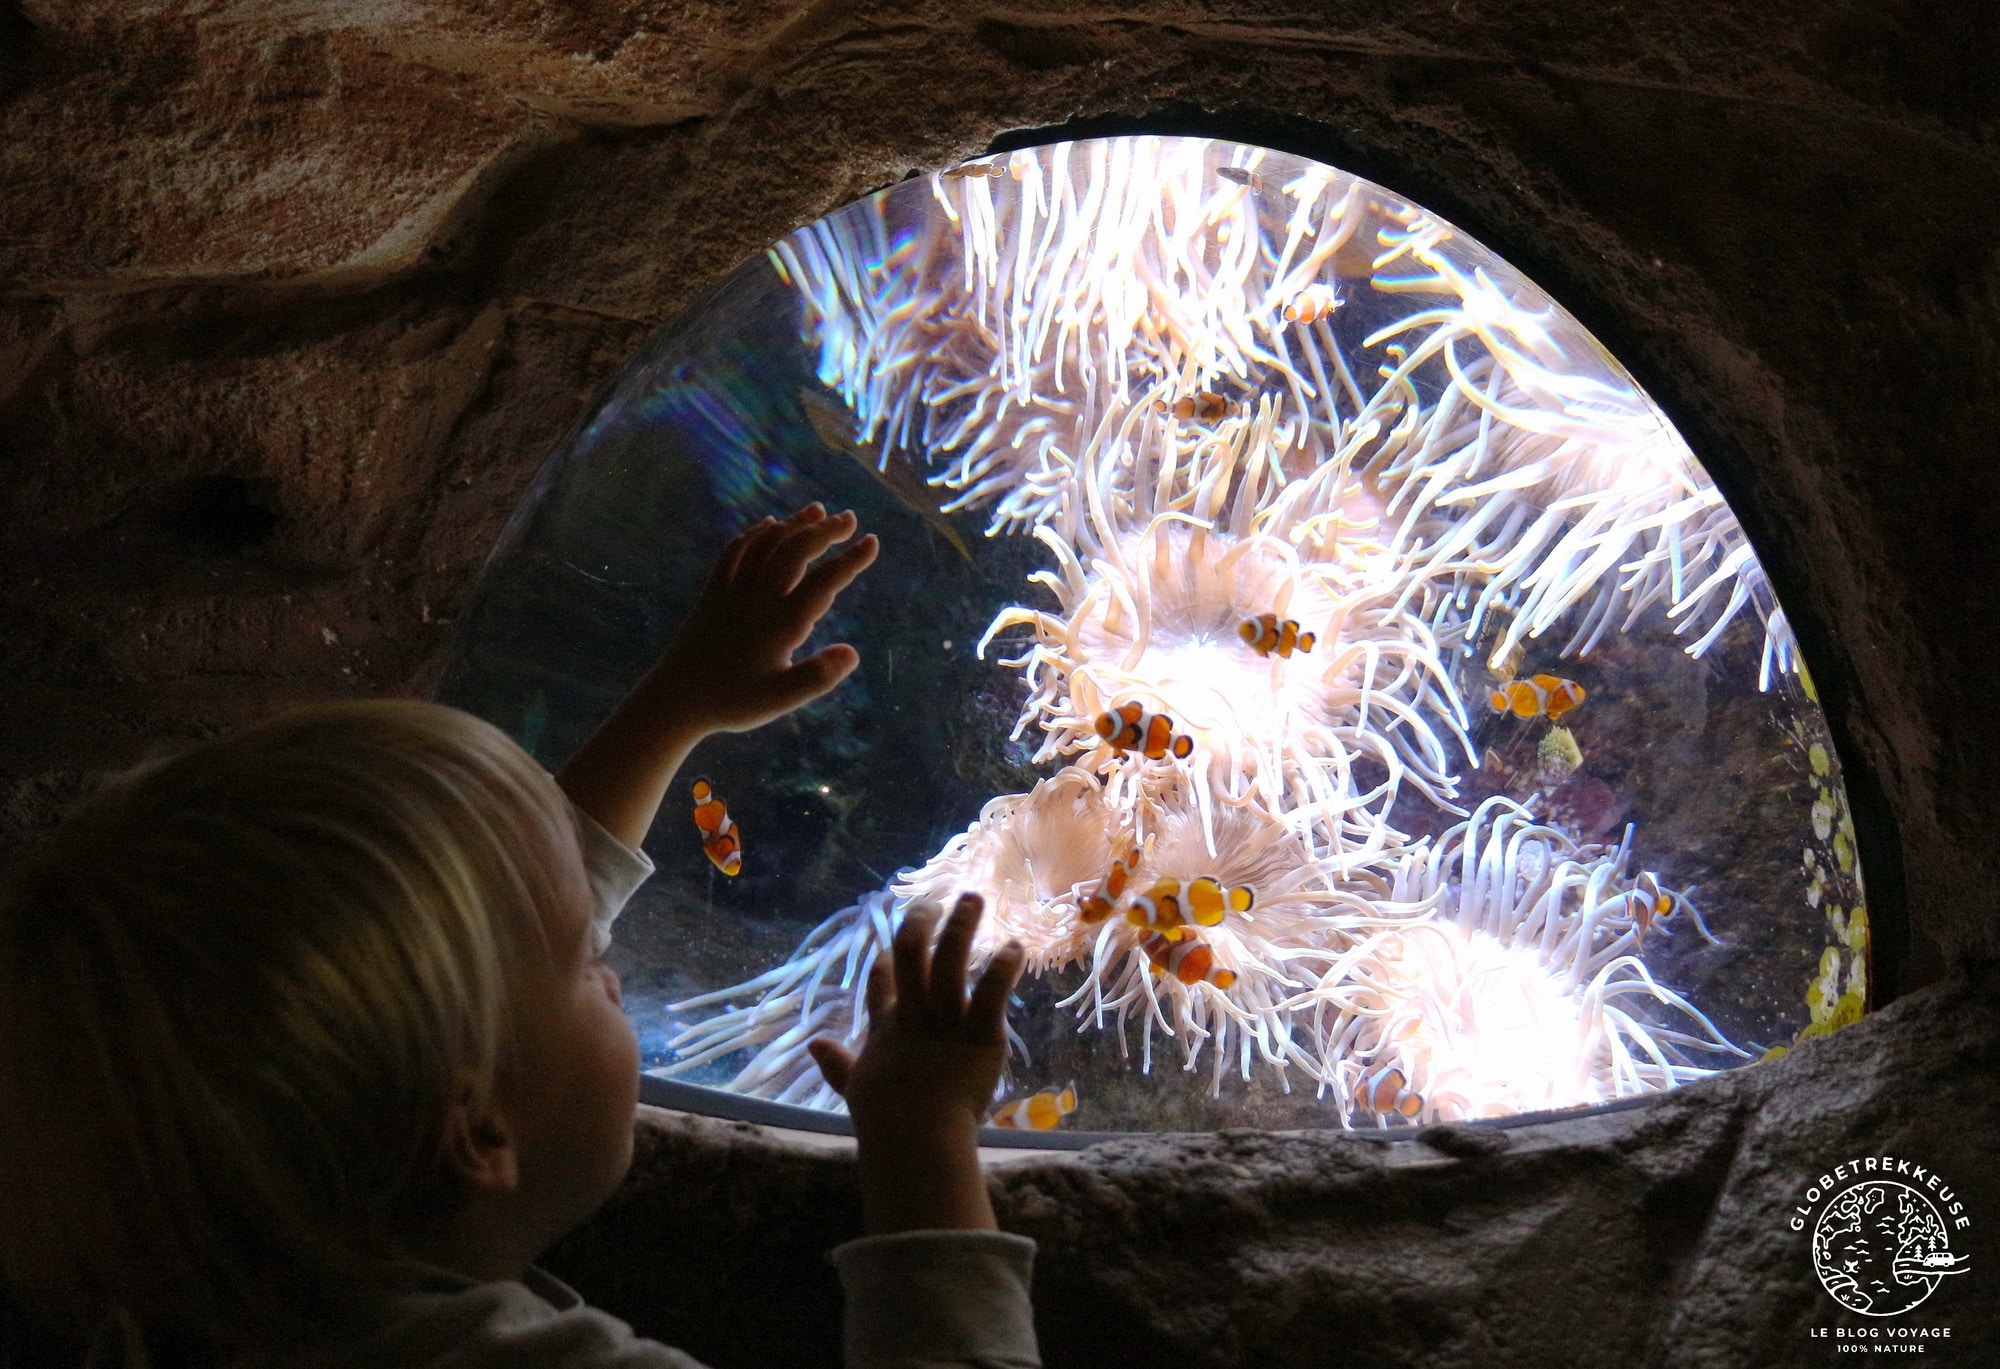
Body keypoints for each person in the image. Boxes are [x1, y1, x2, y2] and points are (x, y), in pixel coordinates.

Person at [0, 504, 1040, 1368]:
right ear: (479, 1133)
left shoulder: (180, 1283)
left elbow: (517, 912)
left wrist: (676, 704)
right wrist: (919, 1149)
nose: (614, 963)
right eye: (590, 968)